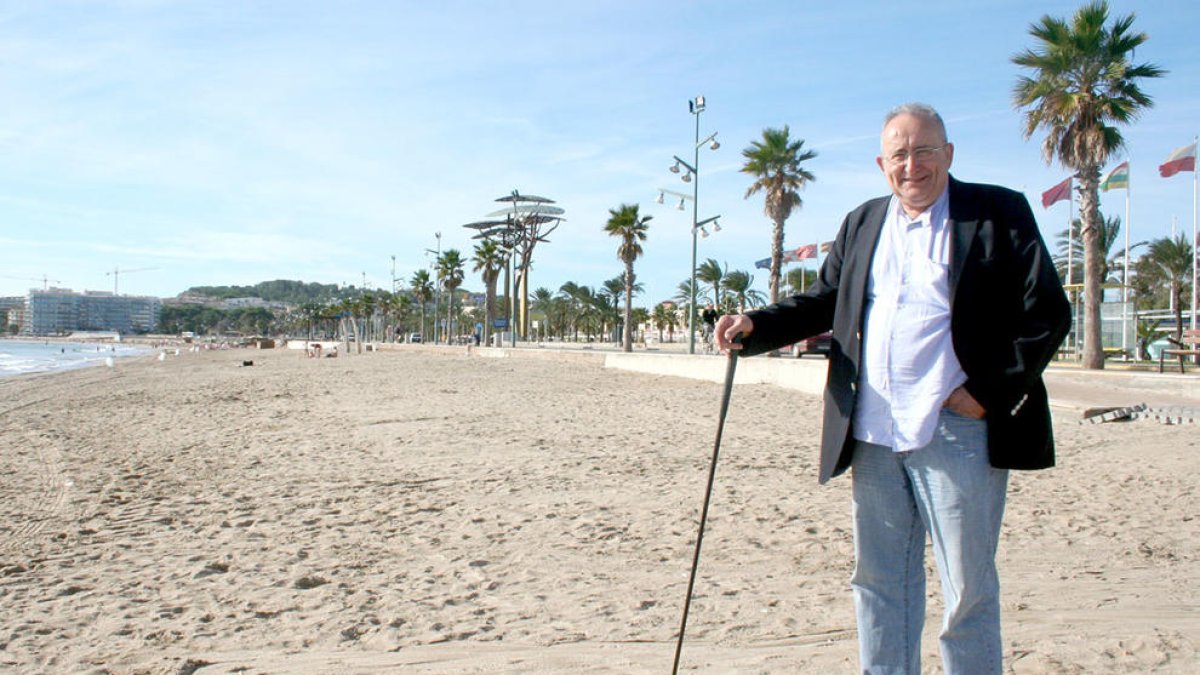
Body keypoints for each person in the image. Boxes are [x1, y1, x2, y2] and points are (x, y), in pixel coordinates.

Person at [715, 103, 1070, 674]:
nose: (913, 165)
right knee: (879, 581)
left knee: (967, 590)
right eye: (900, 154)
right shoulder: (862, 222)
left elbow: (1047, 313)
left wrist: (986, 392)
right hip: (874, 431)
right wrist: (758, 325)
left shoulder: (998, 212)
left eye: (924, 151)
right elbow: (826, 301)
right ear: (883, 163)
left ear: (948, 154)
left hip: (959, 431)